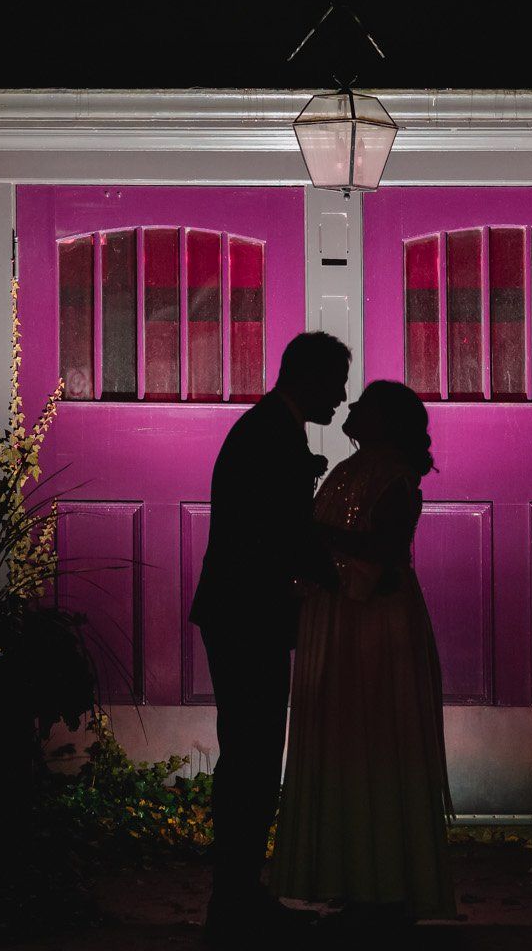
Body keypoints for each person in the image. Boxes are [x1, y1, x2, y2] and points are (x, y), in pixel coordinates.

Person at [270, 379, 456, 932]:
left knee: (376, 735)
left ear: (387, 420)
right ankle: (357, 877)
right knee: (347, 739)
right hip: (344, 614)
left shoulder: (393, 476)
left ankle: (387, 883)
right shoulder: (348, 472)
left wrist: (311, 531)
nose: (351, 407)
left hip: (374, 623)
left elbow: (388, 549)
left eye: (365, 404)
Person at [190, 329, 352, 940]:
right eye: (335, 382)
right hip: (246, 616)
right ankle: (234, 899)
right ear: (308, 377)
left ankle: (236, 892)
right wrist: (339, 580)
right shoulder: (270, 434)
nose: (341, 396)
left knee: (250, 755)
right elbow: (277, 533)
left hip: (239, 613)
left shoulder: (268, 429)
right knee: (252, 758)